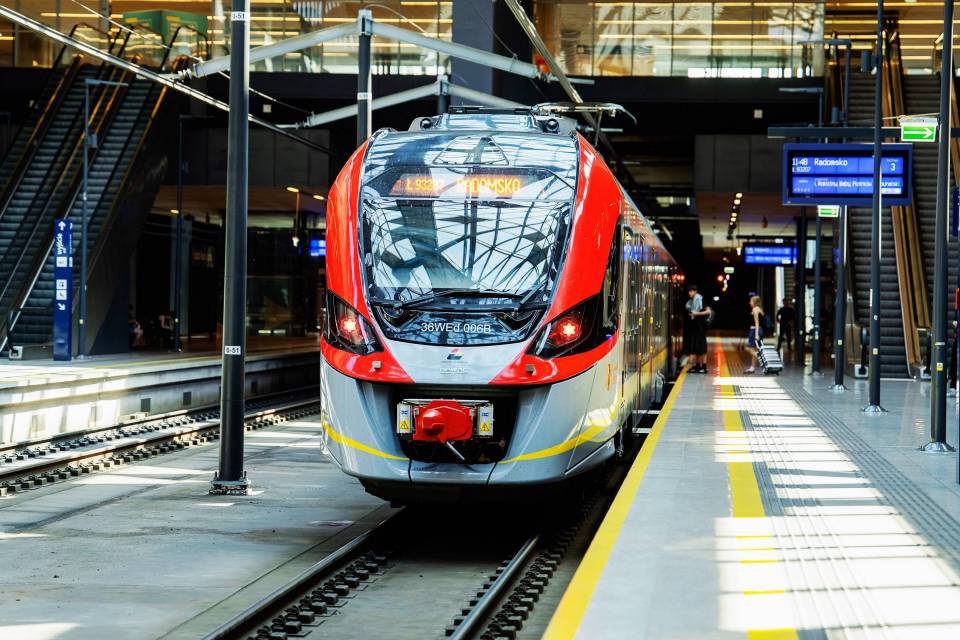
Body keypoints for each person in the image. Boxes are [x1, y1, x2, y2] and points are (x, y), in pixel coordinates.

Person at [683, 284, 710, 373]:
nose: (689, 293)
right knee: (697, 347)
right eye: (689, 291)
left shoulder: (700, 299)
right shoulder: (692, 301)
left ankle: (704, 367)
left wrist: (696, 314)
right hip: (695, 326)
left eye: (691, 291)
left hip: (700, 326)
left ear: (695, 291)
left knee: (702, 346)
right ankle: (698, 366)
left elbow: (708, 311)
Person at [745, 295, 765, 374]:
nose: (749, 303)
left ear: (754, 302)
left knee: (749, 348)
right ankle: (752, 367)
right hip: (760, 330)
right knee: (755, 349)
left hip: (754, 330)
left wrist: (756, 334)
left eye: (751, 301)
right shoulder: (759, 309)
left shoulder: (755, 309)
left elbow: (757, 322)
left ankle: (763, 360)